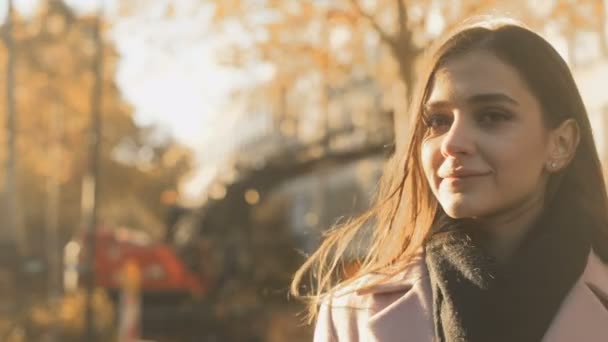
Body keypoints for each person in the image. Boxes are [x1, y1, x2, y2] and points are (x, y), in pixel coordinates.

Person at [290, 17, 608, 342]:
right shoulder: (351, 314)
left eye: (491, 116)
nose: (452, 143)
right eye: (438, 121)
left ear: (562, 143)